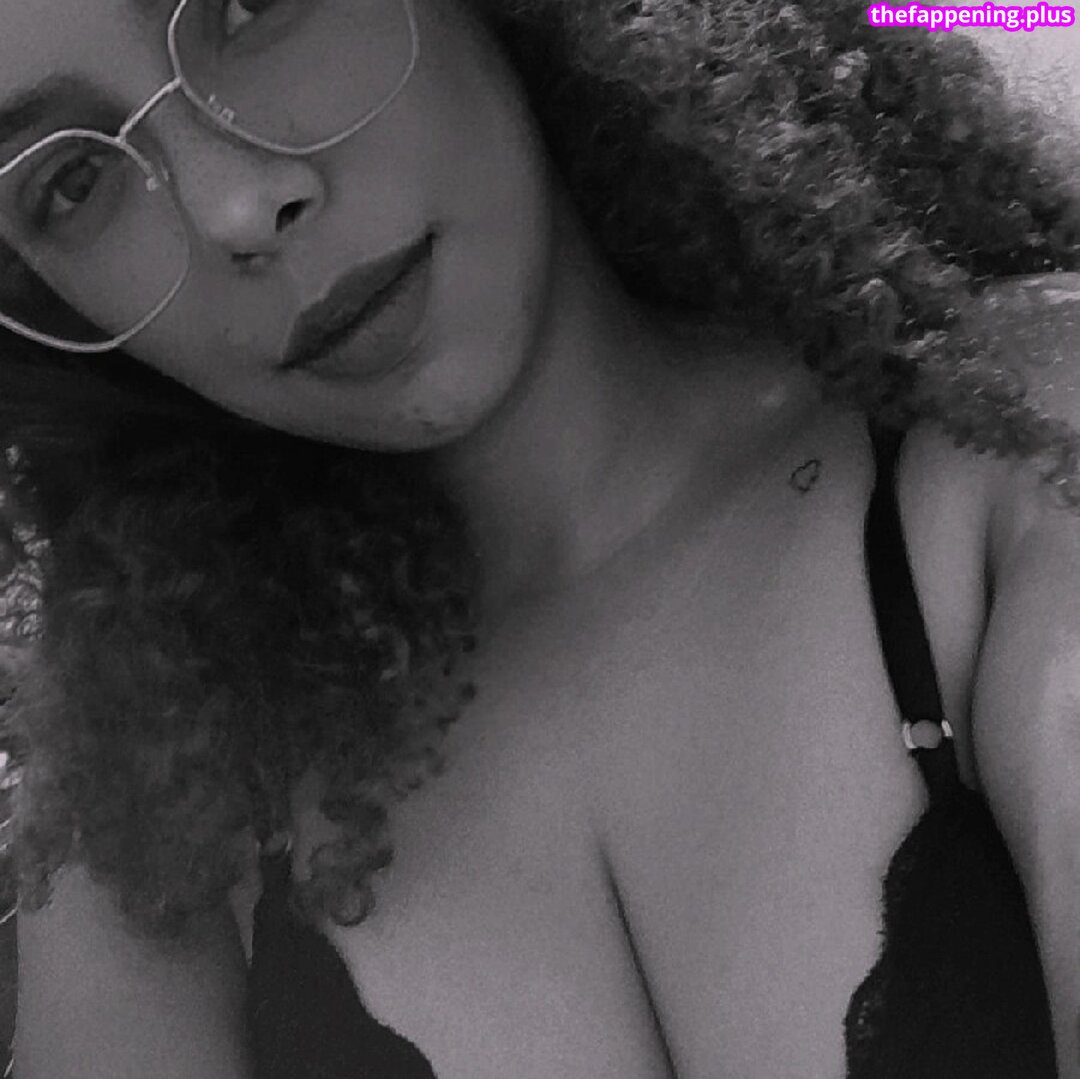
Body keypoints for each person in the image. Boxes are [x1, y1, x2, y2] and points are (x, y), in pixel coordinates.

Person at [2, 0, 1080, 1075]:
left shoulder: (1011, 442)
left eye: (249, 8)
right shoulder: (158, 826)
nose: (235, 206)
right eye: (70, 180)